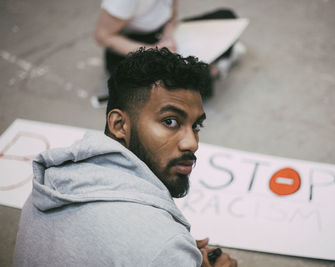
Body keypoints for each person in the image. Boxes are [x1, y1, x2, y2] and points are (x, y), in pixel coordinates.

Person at [13, 48, 237, 267]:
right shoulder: (162, 246)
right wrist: (171, 254)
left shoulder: (49, 185)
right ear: (119, 125)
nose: (192, 143)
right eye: (170, 122)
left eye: (196, 125)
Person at [92, 0, 244, 106]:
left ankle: (209, 68)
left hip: (160, 35)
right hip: (129, 49)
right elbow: (103, 36)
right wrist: (154, 50)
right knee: (186, 85)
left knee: (226, 16)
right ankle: (213, 69)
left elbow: (171, 14)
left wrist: (168, 36)